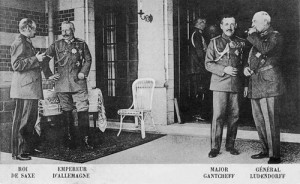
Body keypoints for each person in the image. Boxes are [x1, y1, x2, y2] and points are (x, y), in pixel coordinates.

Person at [43, 21, 93, 149]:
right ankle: (69, 139)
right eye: (62, 30)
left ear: (73, 30)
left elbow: (88, 59)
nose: (64, 33)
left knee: (82, 110)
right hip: (62, 83)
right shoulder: (56, 45)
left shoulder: (81, 44)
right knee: (66, 111)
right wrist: (49, 75)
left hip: (78, 82)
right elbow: (44, 60)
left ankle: (85, 140)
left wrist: (83, 72)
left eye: (67, 30)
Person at [244, 11, 284, 164]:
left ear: (266, 23)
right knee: (259, 120)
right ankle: (265, 149)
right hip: (255, 82)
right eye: (252, 21)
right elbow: (252, 58)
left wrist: (252, 35)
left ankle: (275, 155)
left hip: (269, 83)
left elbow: (266, 49)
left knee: (271, 120)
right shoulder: (258, 38)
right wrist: (245, 68)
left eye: (255, 21)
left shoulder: (275, 36)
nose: (252, 24)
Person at [205, 15, 246, 158]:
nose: (229, 27)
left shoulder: (241, 42)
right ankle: (215, 147)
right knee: (218, 116)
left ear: (235, 26)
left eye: (232, 24)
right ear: (221, 26)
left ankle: (230, 145)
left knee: (234, 116)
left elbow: (244, 64)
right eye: (226, 24)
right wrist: (224, 69)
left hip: (236, 84)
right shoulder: (214, 42)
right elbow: (208, 63)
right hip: (219, 84)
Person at [10, 18, 47, 160]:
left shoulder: (26, 42)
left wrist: (37, 60)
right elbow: (17, 65)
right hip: (24, 89)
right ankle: (17, 153)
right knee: (21, 122)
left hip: (30, 89)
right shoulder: (20, 42)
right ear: (27, 28)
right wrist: (36, 59)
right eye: (34, 28)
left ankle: (26, 149)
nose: (36, 31)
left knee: (30, 121)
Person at [187, 17, 210, 121]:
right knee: (199, 91)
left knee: (201, 91)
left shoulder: (199, 34)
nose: (204, 24)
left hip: (199, 68)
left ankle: (199, 113)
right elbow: (200, 52)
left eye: (204, 22)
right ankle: (197, 114)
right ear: (196, 24)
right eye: (201, 22)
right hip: (197, 69)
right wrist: (206, 64)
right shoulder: (196, 34)